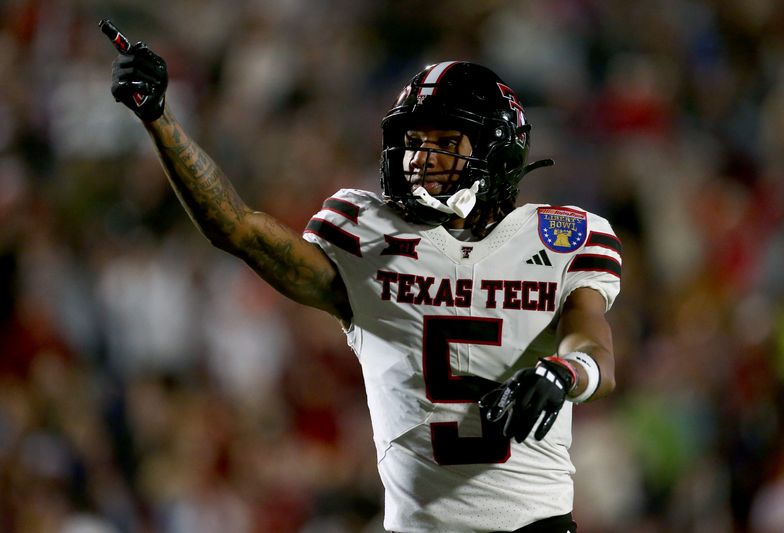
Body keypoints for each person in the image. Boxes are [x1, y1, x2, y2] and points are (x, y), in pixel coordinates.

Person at [107, 31, 622, 533]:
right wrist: (159, 118)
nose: (423, 158)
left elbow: (593, 345)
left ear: (497, 149)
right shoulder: (367, 237)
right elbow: (237, 229)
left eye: (446, 141)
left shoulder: (561, 237)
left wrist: (563, 373)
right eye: (415, 141)